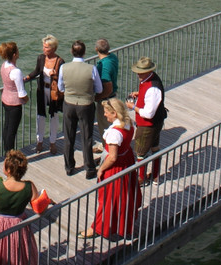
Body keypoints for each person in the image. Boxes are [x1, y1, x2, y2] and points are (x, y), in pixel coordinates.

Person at [79, 98, 141, 240]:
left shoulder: (114, 133)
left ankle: (98, 227)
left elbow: (112, 157)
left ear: (114, 113)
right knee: (123, 196)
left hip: (116, 167)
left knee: (108, 199)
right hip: (127, 161)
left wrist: (101, 170)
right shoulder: (128, 123)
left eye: (107, 112)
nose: (104, 115)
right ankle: (121, 223)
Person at [0, 149, 39, 265]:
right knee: (19, 258)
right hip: (19, 226)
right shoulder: (29, 186)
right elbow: (38, 207)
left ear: (8, 170)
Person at [58, 40, 103, 178]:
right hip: (86, 105)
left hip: (69, 104)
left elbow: (60, 87)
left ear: (72, 52)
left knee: (69, 137)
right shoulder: (91, 69)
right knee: (87, 137)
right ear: (84, 52)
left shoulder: (64, 67)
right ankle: (89, 169)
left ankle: (69, 167)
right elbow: (99, 88)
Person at [126, 57, 167, 185]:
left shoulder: (152, 88)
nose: (138, 74)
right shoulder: (151, 79)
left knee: (140, 152)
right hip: (156, 122)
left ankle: (142, 179)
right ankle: (155, 176)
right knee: (154, 148)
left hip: (147, 125)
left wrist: (133, 107)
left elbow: (148, 114)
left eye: (140, 72)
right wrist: (140, 94)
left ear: (148, 71)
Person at [25, 35, 65, 154]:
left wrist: (55, 74)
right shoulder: (41, 58)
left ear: (53, 48)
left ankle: (53, 142)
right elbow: (37, 71)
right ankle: (40, 141)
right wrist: (27, 77)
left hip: (53, 91)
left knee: (54, 116)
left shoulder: (60, 61)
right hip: (42, 90)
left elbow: (63, 78)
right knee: (40, 116)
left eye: (46, 47)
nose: (44, 49)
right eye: (43, 46)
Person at [0, 42, 28, 153]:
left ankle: (7, 151)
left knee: (7, 127)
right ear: (15, 54)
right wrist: (26, 99)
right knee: (12, 131)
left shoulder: (4, 66)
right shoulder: (16, 71)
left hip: (5, 99)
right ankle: (10, 154)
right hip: (14, 104)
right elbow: (21, 93)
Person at [93, 38, 119, 154]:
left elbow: (108, 86)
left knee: (104, 126)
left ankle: (107, 150)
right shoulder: (112, 57)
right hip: (113, 97)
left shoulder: (104, 65)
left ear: (97, 49)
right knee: (111, 124)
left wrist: (97, 98)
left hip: (106, 100)